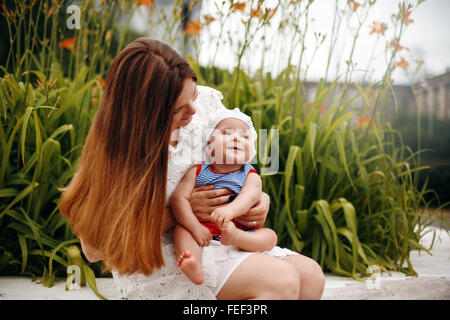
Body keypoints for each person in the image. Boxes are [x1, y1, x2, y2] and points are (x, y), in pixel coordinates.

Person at [59, 37, 325, 300]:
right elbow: (93, 249)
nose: (193, 111)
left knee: (311, 276)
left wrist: (257, 201)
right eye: (177, 109)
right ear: (147, 116)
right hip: (165, 255)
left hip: (222, 238)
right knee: (281, 280)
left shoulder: (205, 104)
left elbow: (240, 168)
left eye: (194, 95)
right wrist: (182, 213)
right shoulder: (116, 151)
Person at [171, 108, 278, 285]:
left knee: (270, 236)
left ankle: (237, 239)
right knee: (181, 231)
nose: (236, 138)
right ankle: (194, 265)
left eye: (244, 137)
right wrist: (195, 227)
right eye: (227, 133)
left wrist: (230, 210)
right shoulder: (197, 171)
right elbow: (178, 199)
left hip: (238, 227)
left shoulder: (249, 175)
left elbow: (250, 196)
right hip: (202, 227)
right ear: (209, 145)